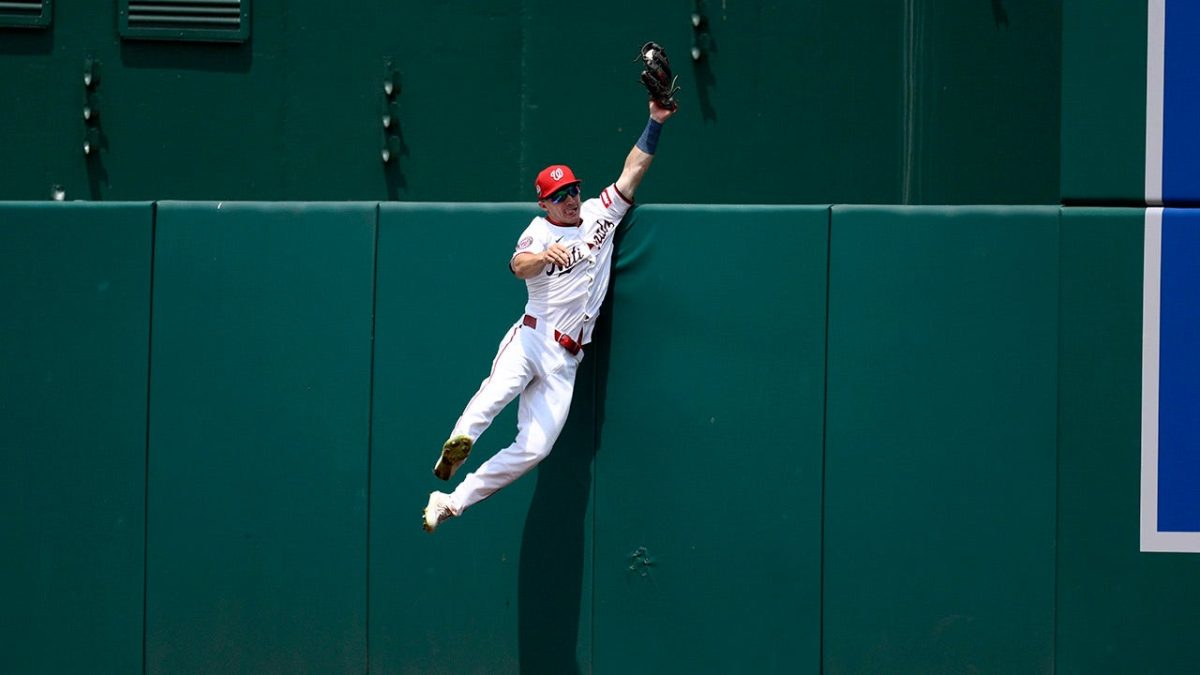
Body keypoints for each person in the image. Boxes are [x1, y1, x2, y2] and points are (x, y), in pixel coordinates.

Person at [422, 98, 677, 532]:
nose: (570, 199)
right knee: (496, 393)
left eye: (573, 189)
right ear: (545, 203)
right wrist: (542, 257)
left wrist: (654, 121)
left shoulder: (600, 214)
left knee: (536, 448)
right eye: (559, 195)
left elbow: (632, 170)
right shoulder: (538, 232)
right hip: (533, 338)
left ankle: (451, 500)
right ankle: (457, 444)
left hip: (568, 360)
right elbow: (517, 267)